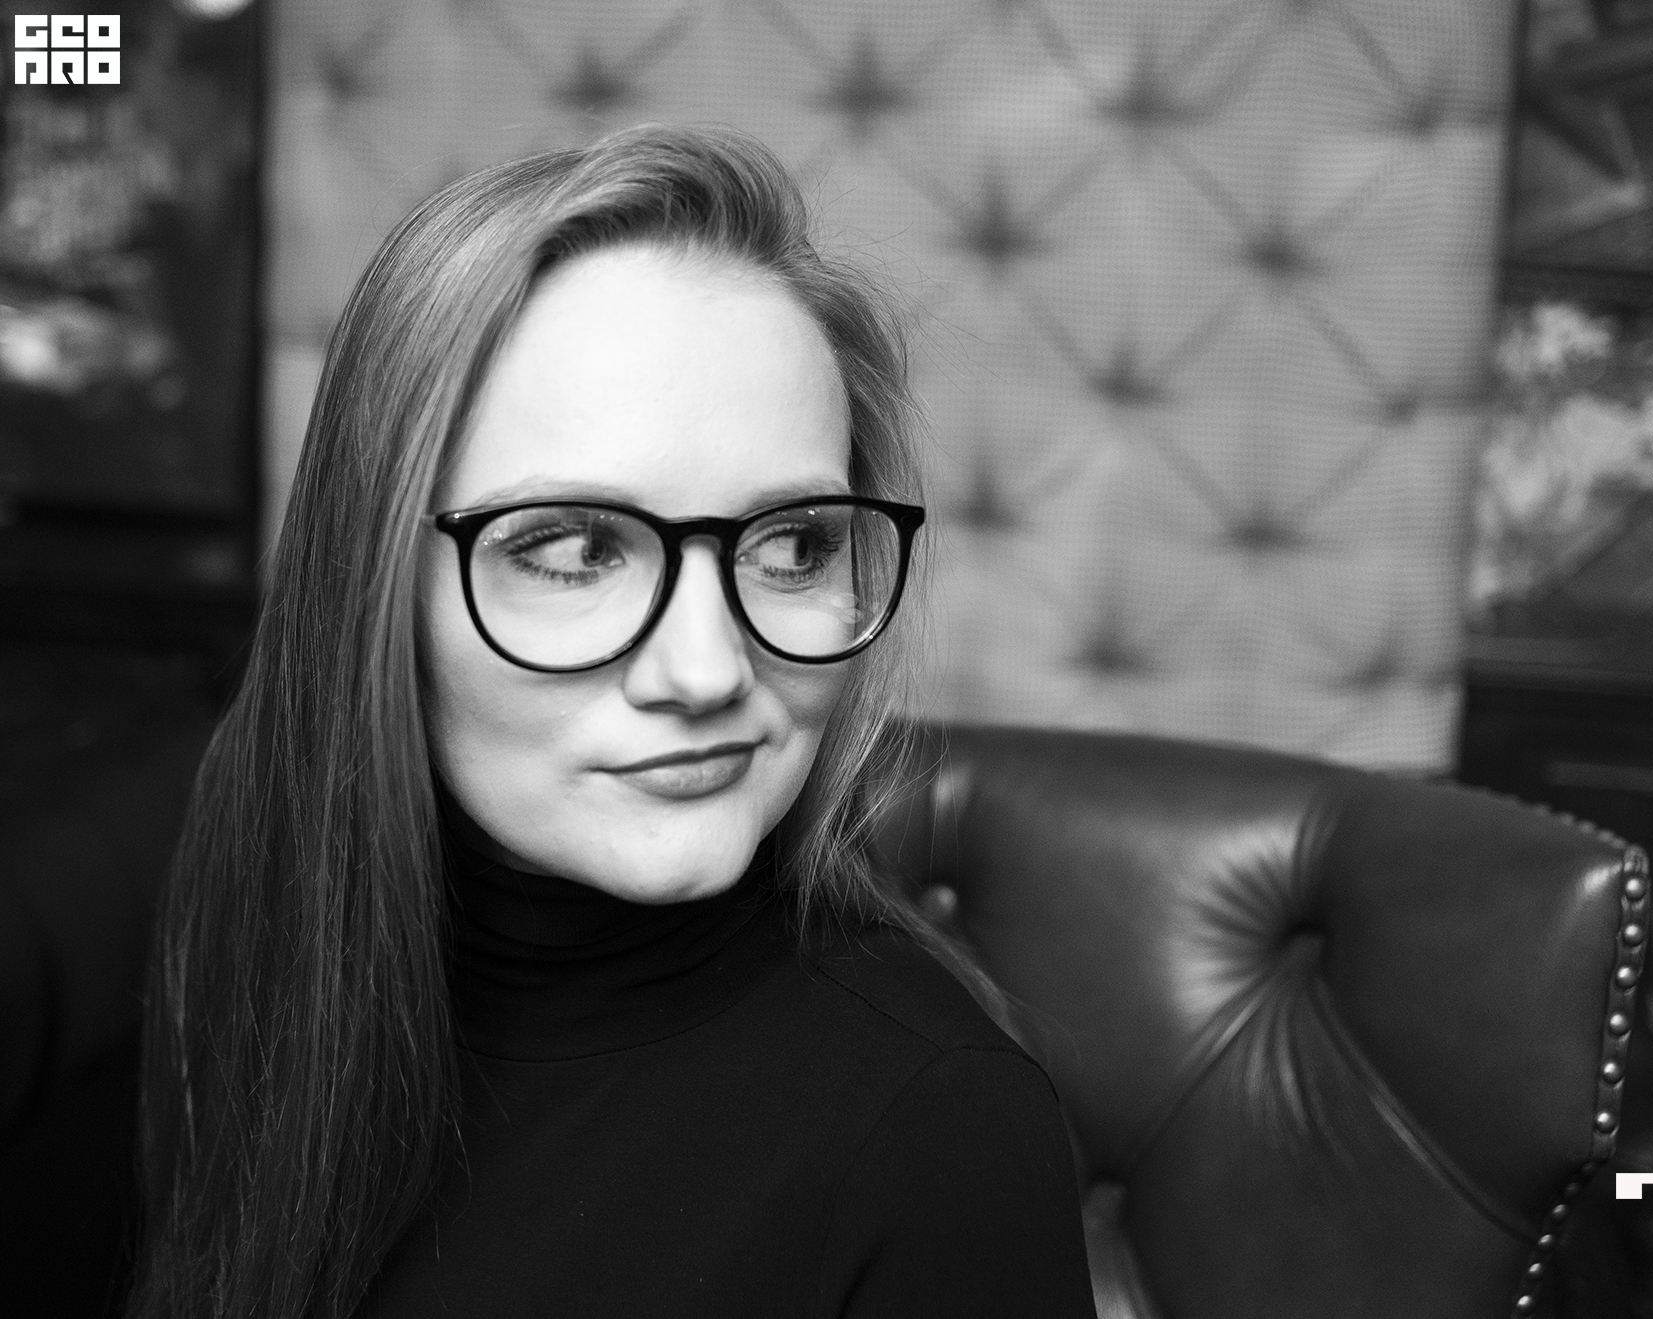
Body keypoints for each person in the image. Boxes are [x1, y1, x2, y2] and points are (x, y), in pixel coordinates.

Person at [127, 124, 1097, 1319]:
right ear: (370, 587)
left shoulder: (940, 1132)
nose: (704, 669)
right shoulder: (231, 970)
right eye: (576, 549)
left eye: (793, 544)